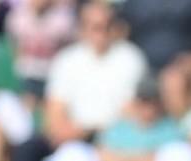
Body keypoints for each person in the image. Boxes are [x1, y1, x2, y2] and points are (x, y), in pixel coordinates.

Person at [43, 1, 148, 144]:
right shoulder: (66, 60)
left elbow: (133, 114)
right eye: (96, 27)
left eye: (107, 26)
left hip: (118, 141)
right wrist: (77, 133)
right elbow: (55, 114)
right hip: (75, 139)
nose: (102, 33)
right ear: (82, 29)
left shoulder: (130, 58)